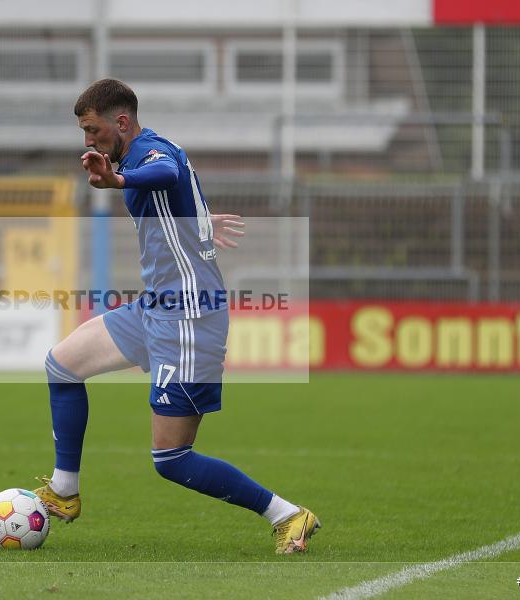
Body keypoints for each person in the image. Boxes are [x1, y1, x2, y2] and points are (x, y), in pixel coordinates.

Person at [32, 79, 321, 554]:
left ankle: (288, 515)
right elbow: (176, 189)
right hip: (156, 308)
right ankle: (65, 491)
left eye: (93, 129)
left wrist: (119, 181)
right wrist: (202, 220)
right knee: (62, 364)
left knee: (171, 458)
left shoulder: (149, 154)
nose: (87, 141)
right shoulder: (147, 149)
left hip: (189, 319)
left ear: (120, 122)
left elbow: (165, 173)